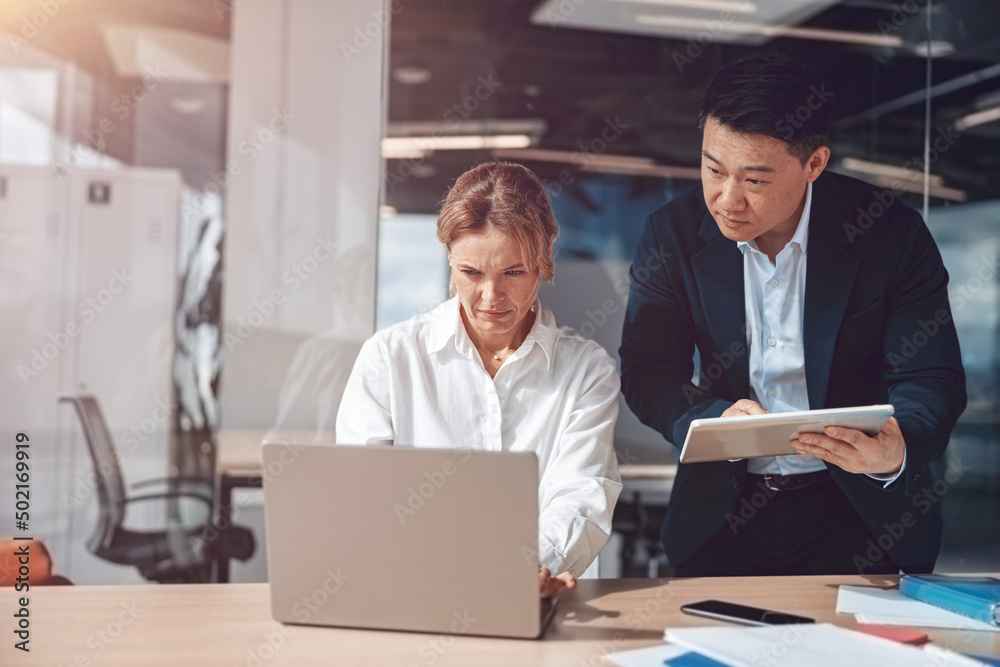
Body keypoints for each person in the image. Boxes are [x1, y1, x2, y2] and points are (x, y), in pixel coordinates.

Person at [620, 52, 966, 577]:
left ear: (814, 165)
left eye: (754, 181)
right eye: (713, 169)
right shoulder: (670, 234)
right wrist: (708, 417)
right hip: (723, 516)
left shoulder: (888, 234)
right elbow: (649, 370)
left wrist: (899, 446)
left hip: (861, 517)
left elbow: (930, 376)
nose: (726, 200)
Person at [337, 162, 622, 596]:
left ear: (545, 257)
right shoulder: (388, 359)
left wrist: (529, 568)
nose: (491, 298)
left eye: (513, 272)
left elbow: (581, 497)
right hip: (416, 594)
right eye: (471, 273)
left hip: (537, 598)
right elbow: (363, 499)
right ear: (449, 256)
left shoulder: (586, 371)